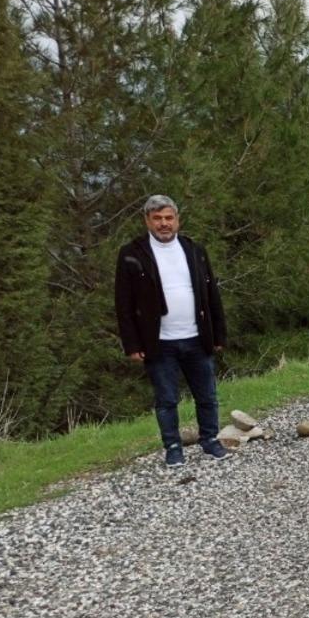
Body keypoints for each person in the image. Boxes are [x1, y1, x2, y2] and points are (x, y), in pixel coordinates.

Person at [114, 195, 229, 466]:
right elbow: (123, 303)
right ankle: (173, 446)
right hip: (159, 341)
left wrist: (218, 334)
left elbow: (212, 294)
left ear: (177, 220)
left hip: (196, 337)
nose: (164, 224)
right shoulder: (132, 253)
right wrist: (131, 344)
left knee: (207, 395)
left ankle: (210, 439)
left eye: (168, 218)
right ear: (147, 221)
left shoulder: (195, 250)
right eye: (157, 219)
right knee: (166, 399)